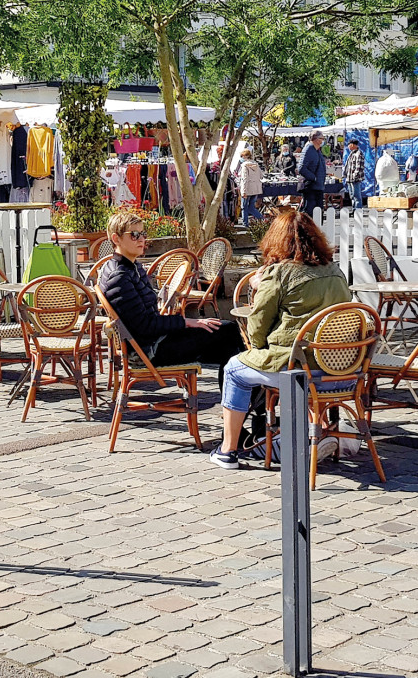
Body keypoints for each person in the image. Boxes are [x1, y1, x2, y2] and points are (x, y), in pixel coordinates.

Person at [210, 209, 351, 469]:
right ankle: (302, 437)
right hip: (343, 371)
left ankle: (228, 450)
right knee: (261, 364)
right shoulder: (335, 271)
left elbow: (256, 332)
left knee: (234, 369)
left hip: (300, 372)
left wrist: (259, 287)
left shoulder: (280, 273)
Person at [98, 211, 242, 387]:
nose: (141, 239)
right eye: (134, 235)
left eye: (143, 234)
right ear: (116, 238)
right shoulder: (119, 276)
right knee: (228, 332)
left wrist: (185, 322)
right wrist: (186, 322)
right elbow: (145, 326)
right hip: (149, 350)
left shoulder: (129, 266)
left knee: (228, 343)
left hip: (154, 341)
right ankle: (244, 407)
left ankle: (241, 407)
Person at [297, 131, 327, 215]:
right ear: (316, 139)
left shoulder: (317, 150)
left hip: (318, 187)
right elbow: (301, 168)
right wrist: (314, 178)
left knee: (318, 212)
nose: (323, 141)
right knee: (310, 212)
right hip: (311, 187)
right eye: (322, 138)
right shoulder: (309, 149)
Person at [237, 149, 263, 228]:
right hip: (255, 189)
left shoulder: (244, 166)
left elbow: (245, 179)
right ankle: (262, 218)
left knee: (244, 207)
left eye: (242, 156)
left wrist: (243, 191)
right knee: (251, 207)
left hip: (247, 189)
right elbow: (261, 176)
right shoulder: (256, 165)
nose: (241, 158)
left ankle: (245, 223)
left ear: (245, 156)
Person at [343, 139, 365, 210]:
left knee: (357, 196)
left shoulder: (359, 153)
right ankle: (354, 209)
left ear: (352, 144)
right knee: (352, 196)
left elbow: (359, 167)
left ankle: (358, 210)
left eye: (349, 145)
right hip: (349, 178)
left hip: (355, 179)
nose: (348, 146)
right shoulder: (352, 153)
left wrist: (355, 177)